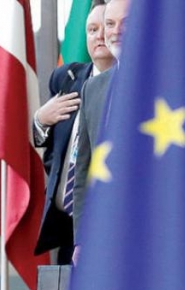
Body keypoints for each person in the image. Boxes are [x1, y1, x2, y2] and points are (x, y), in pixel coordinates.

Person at [32, 0, 113, 265]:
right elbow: (53, 149)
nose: (99, 36)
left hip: (108, 220)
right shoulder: (66, 78)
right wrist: (40, 121)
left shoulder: (131, 85)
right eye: (92, 29)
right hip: (65, 222)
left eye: (106, 27)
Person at [72, 0, 131, 262]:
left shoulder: (171, 82)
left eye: (125, 23)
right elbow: (84, 172)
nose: (115, 31)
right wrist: (82, 239)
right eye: (110, 23)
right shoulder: (92, 88)